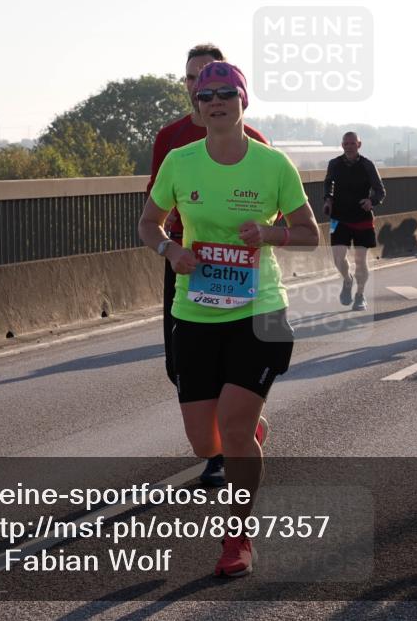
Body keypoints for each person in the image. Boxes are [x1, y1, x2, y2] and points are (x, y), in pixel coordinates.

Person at [140, 61, 320, 575]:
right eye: (206, 95)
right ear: (196, 107)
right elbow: (149, 222)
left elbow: (309, 232)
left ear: (244, 100)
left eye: (226, 93)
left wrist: (270, 234)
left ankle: (237, 536)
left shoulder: (273, 164)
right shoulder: (179, 162)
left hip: (259, 312)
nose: (216, 101)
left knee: (233, 431)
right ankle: (249, 432)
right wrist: (171, 250)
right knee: (206, 442)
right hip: (195, 312)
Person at [146, 44, 270, 488]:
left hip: (241, 269)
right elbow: (155, 206)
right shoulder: (170, 138)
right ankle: (233, 433)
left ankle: (227, 447)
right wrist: (170, 247)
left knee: (234, 359)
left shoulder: (254, 140)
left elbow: (275, 209)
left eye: (212, 78)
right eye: (193, 79)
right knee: (178, 365)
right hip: (187, 263)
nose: (202, 86)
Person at [322, 131, 386, 311]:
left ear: (359, 145)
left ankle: (360, 295)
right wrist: (328, 200)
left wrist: (371, 201)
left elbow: (380, 191)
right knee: (338, 258)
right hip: (339, 217)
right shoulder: (334, 164)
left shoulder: (367, 165)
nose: (349, 147)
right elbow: (328, 185)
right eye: (346, 144)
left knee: (360, 260)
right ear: (342, 145)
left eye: (352, 143)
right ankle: (347, 280)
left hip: (361, 218)